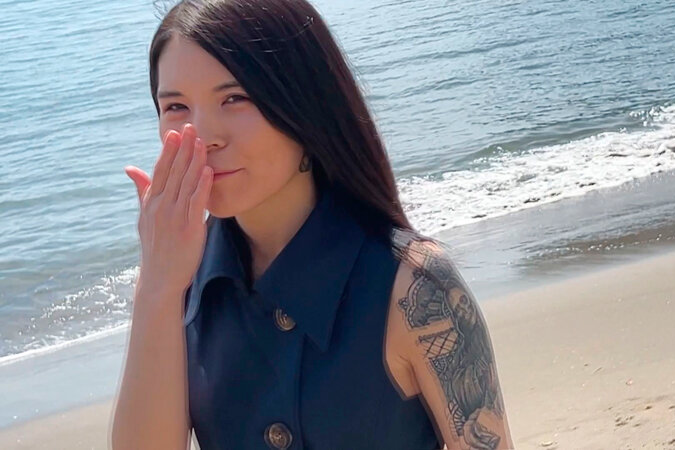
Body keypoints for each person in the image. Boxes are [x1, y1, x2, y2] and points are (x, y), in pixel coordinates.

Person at [112, 1, 513, 449]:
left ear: (303, 104)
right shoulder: (180, 283)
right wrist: (157, 286)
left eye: (234, 98)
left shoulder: (411, 284)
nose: (204, 137)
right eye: (176, 106)